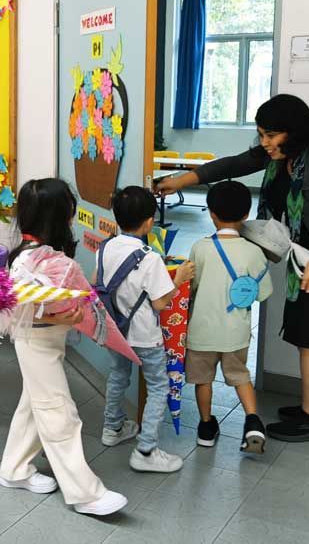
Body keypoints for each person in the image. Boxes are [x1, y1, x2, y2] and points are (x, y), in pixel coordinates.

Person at [156, 94, 309, 442]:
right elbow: (230, 165)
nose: (264, 143)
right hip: (305, 258)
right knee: (306, 332)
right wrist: (180, 181)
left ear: (293, 131)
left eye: (270, 135)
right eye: (261, 135)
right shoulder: (285, 156)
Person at [0, 178, 128, 517]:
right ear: (58, 217)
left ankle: (14, 469)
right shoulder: (36, 261)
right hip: (38, 343)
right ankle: (85, 493)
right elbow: (23, 311)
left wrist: (66, 317)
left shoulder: (29, 256)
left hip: (42, 342)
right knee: (60, 414)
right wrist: (66, 318)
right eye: (70, 210)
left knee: (34, 405)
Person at [97, 186, 195, 473]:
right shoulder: (149, 258)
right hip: (144, 335)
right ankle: (146, 449)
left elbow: (97, 282)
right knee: (158, 385)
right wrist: (179, 280)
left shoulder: (106, 247)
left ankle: (112, 428)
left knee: (118, 375)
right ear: (150, 222)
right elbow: (161, 303)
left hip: (115, 331)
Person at [186, 181, 272, 453]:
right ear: (247, 215)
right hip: (236, 331)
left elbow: (191, 287)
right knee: (240, 376)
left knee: (204, 380)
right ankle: (252, 420)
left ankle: (206, 427)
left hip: (202, 330)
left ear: (211, 213)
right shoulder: (253, 251)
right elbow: (264, 292)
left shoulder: (200, 248)